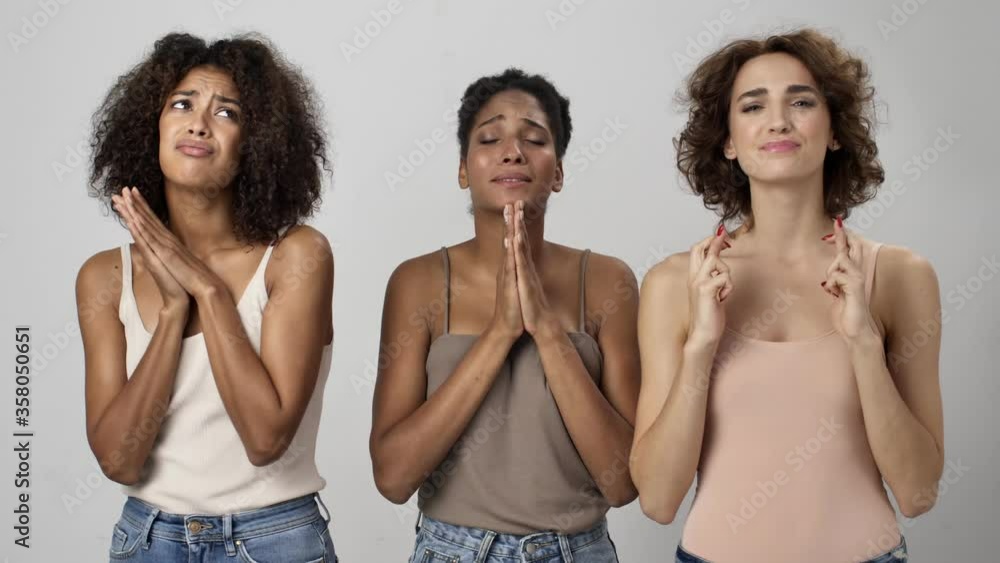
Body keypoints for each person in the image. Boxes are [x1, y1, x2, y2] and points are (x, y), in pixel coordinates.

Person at [630, 29, 944, 563]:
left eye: (801, 101)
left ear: (835, 129)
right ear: (728, 140)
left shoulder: (899, 275)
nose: (778, 121)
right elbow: (658, 501)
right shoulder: (674, 283)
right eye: (753, 106)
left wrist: (864, 344)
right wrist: (701, 346)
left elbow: (917, 493)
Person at [76, 32, 337, 562]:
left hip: (274, 540)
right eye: (182, 104)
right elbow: (120, 461)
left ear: (257, 142)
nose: (199, 122)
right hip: (148, 540)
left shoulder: (296, 256)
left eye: (228, 113)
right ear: (151, 126)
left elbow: (265, 439)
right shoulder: (104, 277)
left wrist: (207, 290)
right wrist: (174, 312)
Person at [370, 68, 640, 563]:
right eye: (490, 138)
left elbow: (623, 483)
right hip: (452, 550)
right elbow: (392, 477)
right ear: (462, 170)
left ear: (557, 172)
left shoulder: (608, 281)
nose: (512, 151)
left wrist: (547, 329)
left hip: (577, 550)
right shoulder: (418, 282)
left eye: (534, 140)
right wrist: (500, 331)